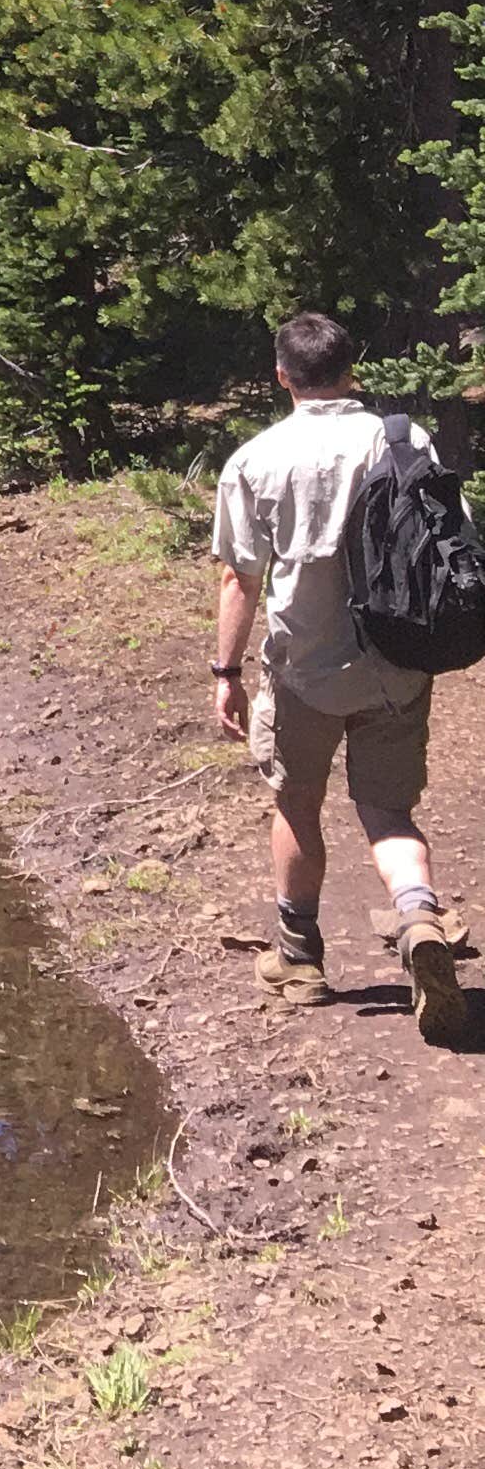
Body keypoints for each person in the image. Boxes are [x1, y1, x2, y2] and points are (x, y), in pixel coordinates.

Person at [209, 311, 458, 1012]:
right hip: (397, 660)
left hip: (303, 671)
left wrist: (225, 674)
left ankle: (300, 961)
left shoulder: (256, 459)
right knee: (387, 810)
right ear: (353, 370)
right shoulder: (406, 440)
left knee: (296, 803)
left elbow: (239, 580)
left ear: (282, 376)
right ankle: (417, 917)